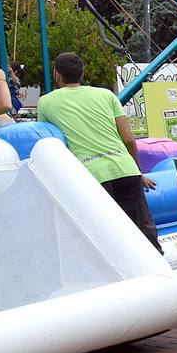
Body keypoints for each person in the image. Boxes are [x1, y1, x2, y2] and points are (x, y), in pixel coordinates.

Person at [37, 52, 160, 247]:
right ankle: (159, 268)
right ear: (82, 73)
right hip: (124, 168)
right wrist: (138, 172)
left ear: (56, 74)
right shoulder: (106, 95)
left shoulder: (45, 102)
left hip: (90, 175)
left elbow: (48, 142)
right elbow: (128, 138)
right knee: (143, 230)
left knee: (106, 235)